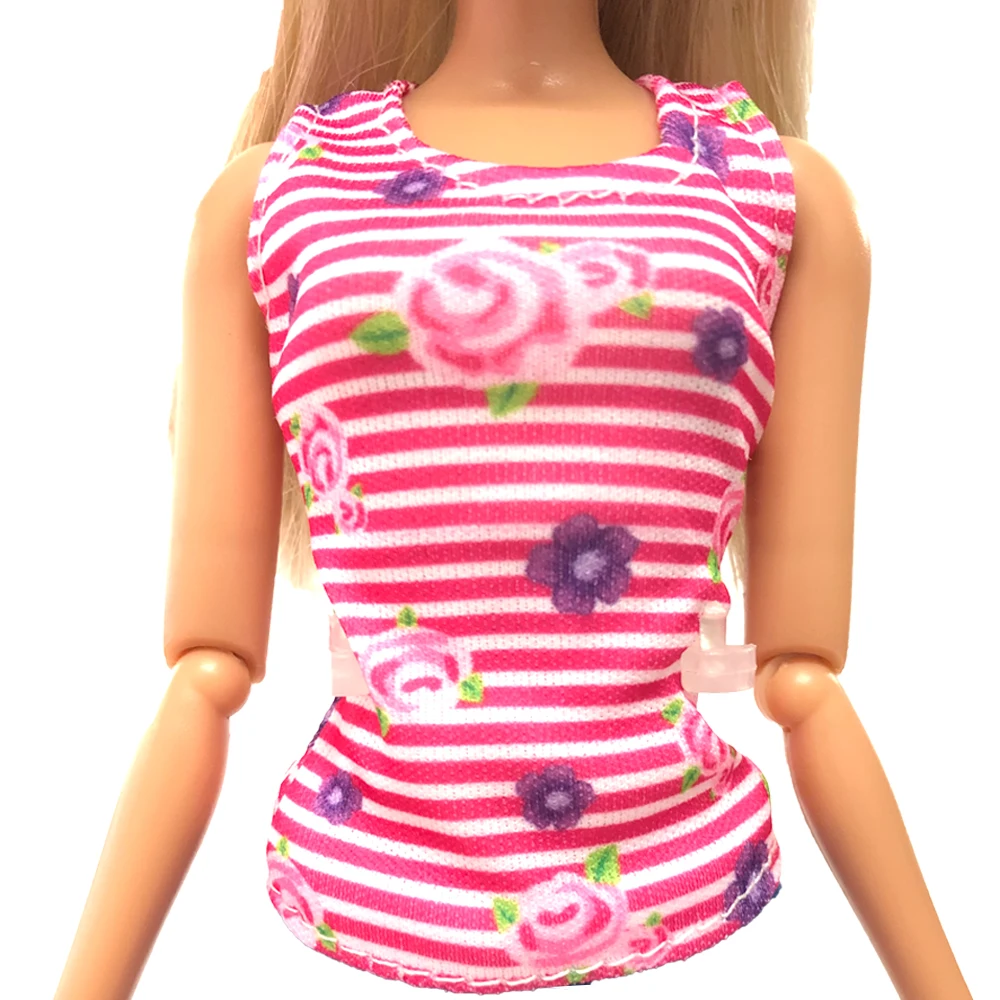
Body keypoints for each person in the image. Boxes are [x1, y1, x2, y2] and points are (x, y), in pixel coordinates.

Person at [53, 2, 973, 997]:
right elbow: (207, 666)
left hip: (691, 898)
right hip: (364, 890)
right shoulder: (282, 193)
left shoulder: (769, 188)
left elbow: (802, 672)